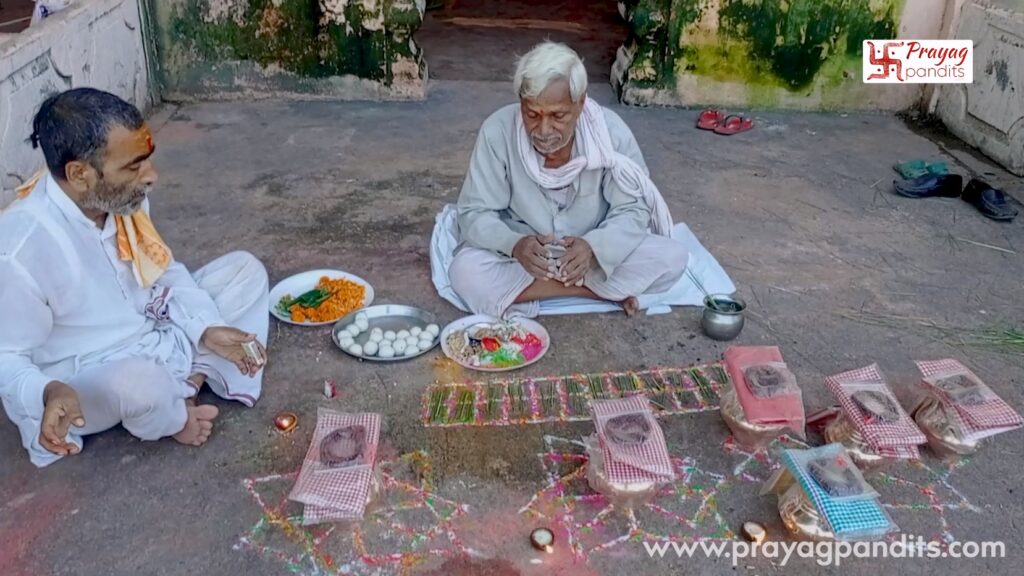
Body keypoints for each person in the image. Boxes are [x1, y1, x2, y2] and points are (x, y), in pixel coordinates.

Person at [0, 88, 269, 467]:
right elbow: (7, 357)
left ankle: (188, 387)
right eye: (133, 166)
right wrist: (49, 392)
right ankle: (174, 408)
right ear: (80, 174)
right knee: (139, 385)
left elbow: (163, 270)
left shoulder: (122, 198)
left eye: (147, 161)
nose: (151, 176)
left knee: (245, 271)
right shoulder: (19, 249)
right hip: (94, 379)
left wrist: (205, 327)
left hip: (155, 332)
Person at [446, 41, 688, 318]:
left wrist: (595, 248)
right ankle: (599, 294)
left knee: (673, 258)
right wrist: (514, 244)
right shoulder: (497, 132)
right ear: (521, 104)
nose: (544, 129)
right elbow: (474, 212)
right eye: (532, 114)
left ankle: (539, 293)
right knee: (465, 273)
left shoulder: (610, 134)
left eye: (558, 116)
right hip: (525, 258)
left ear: (580, 102)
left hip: (591, 254)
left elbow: (634, 209)